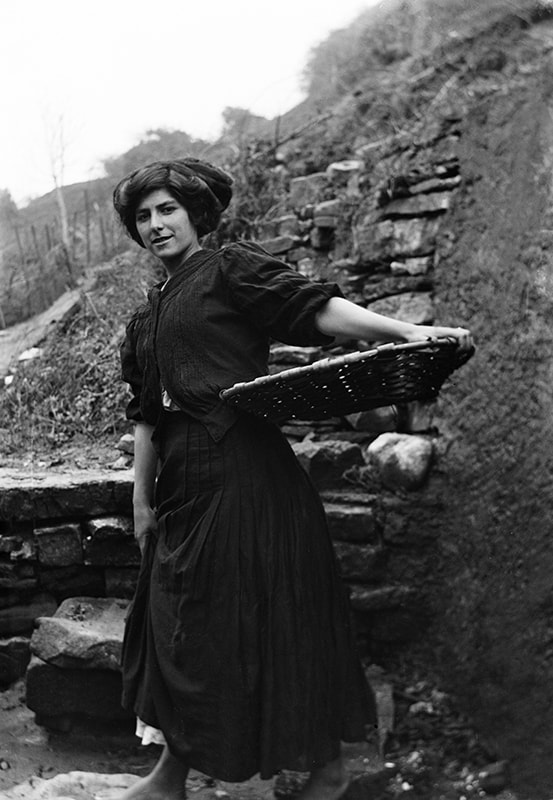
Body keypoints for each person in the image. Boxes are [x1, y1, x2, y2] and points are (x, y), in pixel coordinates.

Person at [113, 157, 473, 800]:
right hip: (181, 483)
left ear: (196, 213)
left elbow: (316, 310)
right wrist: (141, 499)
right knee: (177, 624)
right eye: (143, 216)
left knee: (277, 622)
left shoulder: (229, 269)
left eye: (168, 209)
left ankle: (327, 770)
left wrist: (407, 330)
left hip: (246, 471)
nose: (156, 224)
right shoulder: (145, 317)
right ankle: (171, 775)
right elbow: (145, 415)